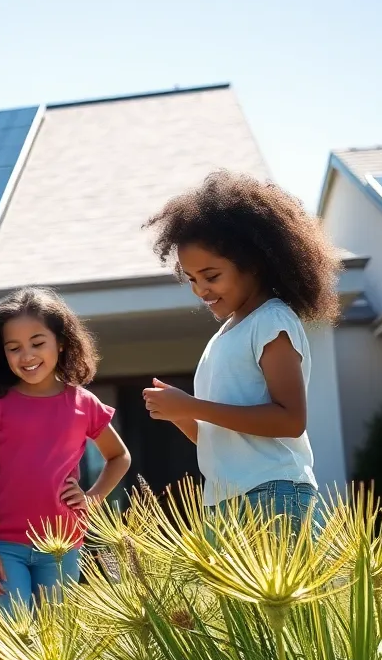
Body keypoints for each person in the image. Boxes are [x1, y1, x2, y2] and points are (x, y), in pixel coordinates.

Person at [140, 170, 340, 528]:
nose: (201, 289)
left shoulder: (271, 321)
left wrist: (193, 406)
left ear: (256, 263)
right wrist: (181, 414)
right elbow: (219, 439)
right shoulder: (224, 336)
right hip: (224, 501)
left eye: (211, 276)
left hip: (273, 494)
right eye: (192, 280)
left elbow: (290, 420)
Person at [0, 287, 131, 613]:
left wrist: (91, 498)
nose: (27, 356)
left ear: (61, 343)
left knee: (55, 644)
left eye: (37, 343)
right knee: (10, 641)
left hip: (62, 546)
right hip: (4, 545)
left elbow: (119, 457)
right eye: (14, 348)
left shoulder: (83, 403)